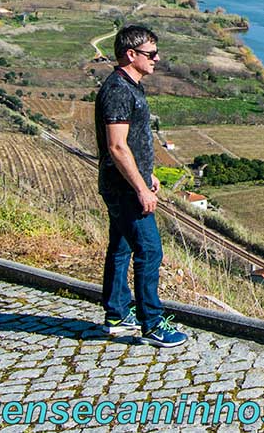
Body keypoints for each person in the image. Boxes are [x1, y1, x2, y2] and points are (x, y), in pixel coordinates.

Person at [96, 24, 186, 348]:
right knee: (150, 250)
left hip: (125, 184)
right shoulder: (119, 90)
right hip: (124, 189)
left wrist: (148, 175)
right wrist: (141, 188)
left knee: (120, 249)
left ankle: (118, 315)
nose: (157, 59)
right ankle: (152, 323)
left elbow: (132, 142)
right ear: (130, 54)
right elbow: (118, 146)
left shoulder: (129, 85)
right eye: (151, 54)